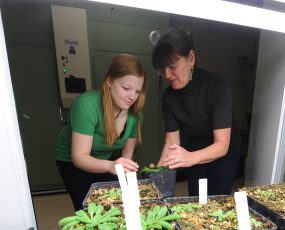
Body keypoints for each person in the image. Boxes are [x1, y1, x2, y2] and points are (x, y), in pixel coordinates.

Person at [152, 28, 237, 196]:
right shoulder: (169, 97)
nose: (167, 75)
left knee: (216, 199)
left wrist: (190, 158)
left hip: (222, 149)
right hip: (194, 146)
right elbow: (171, 142)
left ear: (191, 58)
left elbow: (222, 145)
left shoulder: (216, 86)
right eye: (163, 70)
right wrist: (160, 170)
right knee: (196, 199)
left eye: (172, 66)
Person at [56, 53, 147, 210]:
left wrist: (128, 189)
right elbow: (79, 157)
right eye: (126, 88)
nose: (132, 97)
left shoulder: (135, 114)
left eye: (137, 91)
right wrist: (110, 166)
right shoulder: (86, 105)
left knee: (113, 206)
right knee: (88, 210)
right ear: (109, 81)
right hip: (73, 162)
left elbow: (127, 157)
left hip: (107, 160)